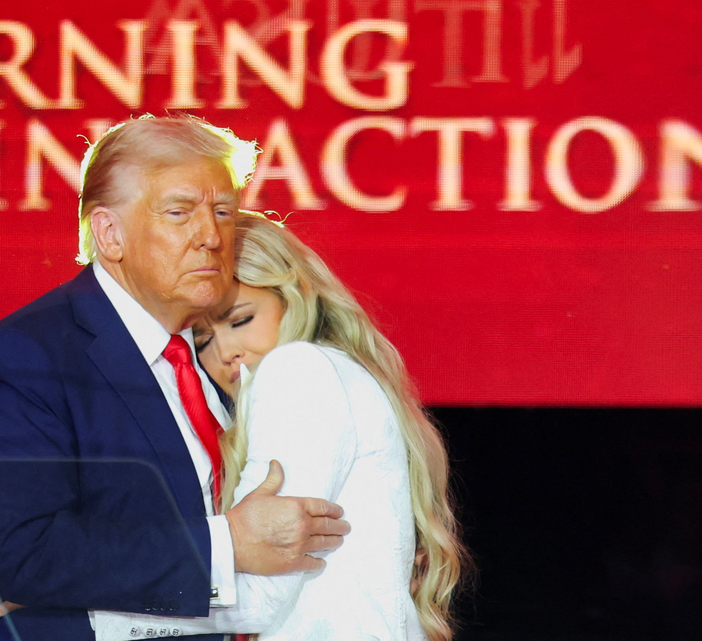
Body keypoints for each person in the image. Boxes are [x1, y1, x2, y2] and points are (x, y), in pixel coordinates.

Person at [0, 117, 351, 641]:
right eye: (180, 212)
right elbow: (22, 553)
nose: (210, 236)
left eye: (223, 211)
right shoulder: (23, 357)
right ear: (109, 234)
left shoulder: (223, 358)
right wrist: (226, 546)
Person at [76, 214, 467, 640]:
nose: (225, 352)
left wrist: (82, 598)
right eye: (202, 341)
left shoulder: (297, 371)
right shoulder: (339, 373)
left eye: (240, 320)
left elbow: (259, 594)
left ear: (293, 294)